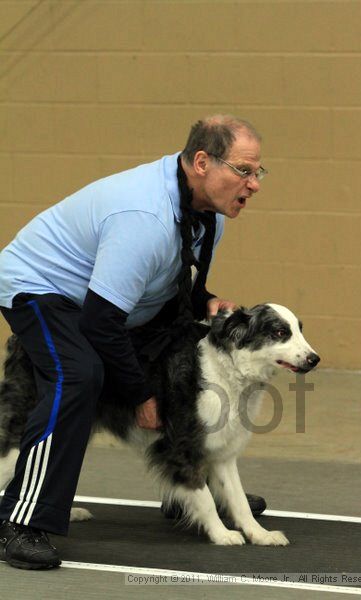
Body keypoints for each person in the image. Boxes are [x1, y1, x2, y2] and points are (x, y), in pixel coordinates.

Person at [0, 115, 268, 570]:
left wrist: (206, 302)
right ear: (202, 163)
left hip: (105, 299)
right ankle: (21, 520)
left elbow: (171, 286)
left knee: (185, 347)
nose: (254, 184)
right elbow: (102, 322)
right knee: (79, 374)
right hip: (40, 287)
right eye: (243, 170)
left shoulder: (207, 215)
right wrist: (140, 396)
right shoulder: (144, 217)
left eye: (258, 172)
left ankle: (184, 479)